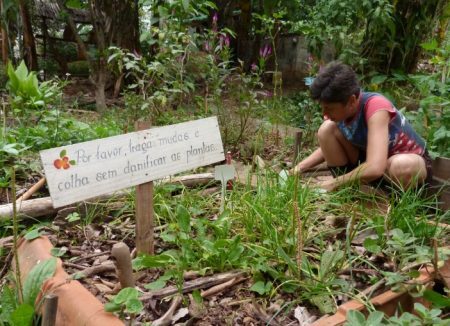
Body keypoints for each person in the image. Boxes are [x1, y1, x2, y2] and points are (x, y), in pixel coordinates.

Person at [292, 61, 432, 191]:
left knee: (400, 165)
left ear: (351, 100)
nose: (325, 114)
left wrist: (330, 184)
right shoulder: (345, 109)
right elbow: (326, 148)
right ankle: (349, 192)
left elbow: (376, 167)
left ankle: (392, 203)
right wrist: (299, 168)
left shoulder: (376, 108)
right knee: (327, 129)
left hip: (408, 166)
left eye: (329, 109)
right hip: (375, 166)